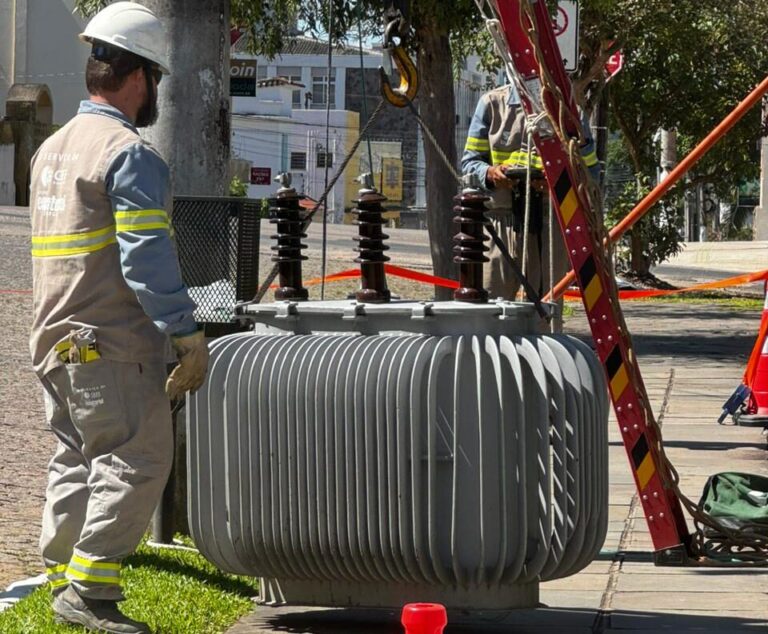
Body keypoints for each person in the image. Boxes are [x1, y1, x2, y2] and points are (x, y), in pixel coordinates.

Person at [28, 3, 208, 632]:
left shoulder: (52, 150)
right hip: (109, 342)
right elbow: (146, 259)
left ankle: (60, 578)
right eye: (155, 77)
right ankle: (90, 591)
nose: (155, 90)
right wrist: (185, 334)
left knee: (77, 455)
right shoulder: (129, 154)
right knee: (137, 458)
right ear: (139, 78)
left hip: (55, 339)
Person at [461, 83, 599, 313]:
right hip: (499, 227)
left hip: (548, 226)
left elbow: (591, 172)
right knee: (489, 313)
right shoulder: (492, 104)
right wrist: (491, 173)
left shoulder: (567, 111)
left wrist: (555, 183)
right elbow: (469, 164)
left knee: (544, 315)